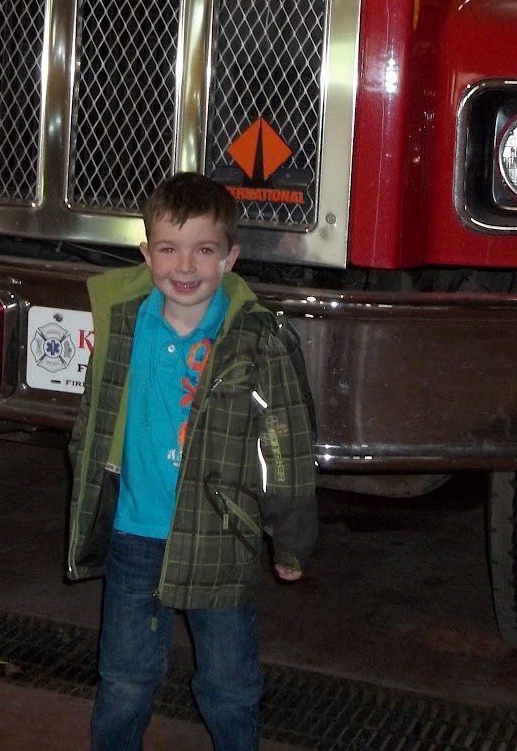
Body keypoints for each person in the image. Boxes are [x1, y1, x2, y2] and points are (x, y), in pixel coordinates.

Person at [66, 172, 317, 750]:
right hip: (134, 536)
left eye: (204, 250)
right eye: (168, 249)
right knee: (125, 679)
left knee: (228, 684)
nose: (185, 267)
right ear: (145, 253)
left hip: (220, 537)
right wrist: (89, 493)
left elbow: (287, 448)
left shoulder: (257, 339)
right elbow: (94, 420)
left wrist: (291, 540)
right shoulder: (124, 322)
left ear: (230, 257)